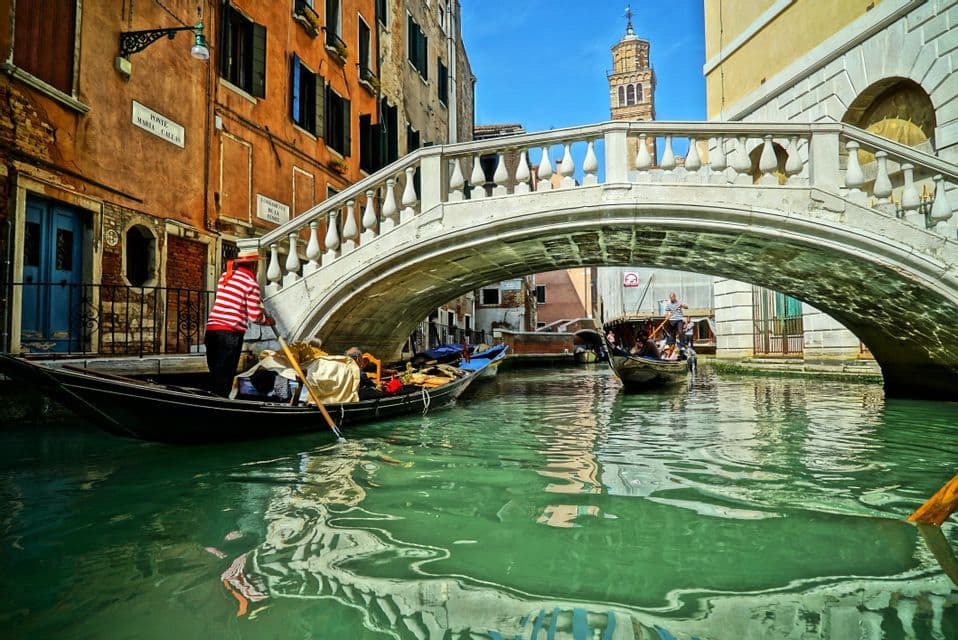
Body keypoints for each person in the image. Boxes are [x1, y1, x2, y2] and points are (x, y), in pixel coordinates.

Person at [204, 251, 274, 396]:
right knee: (225, 379)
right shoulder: (250, 284)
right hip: (230, 334)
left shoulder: (225, 277)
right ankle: (220, 409)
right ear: (253, 265)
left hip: (212, 331)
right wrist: (268, 321)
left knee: (216, 375)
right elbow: (255, 317)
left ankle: (214, 407)